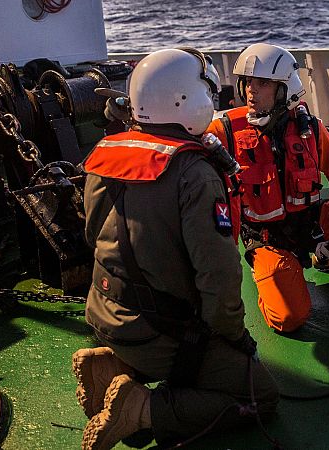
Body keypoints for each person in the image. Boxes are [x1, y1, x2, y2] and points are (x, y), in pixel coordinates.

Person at [72, 48, 278, 450]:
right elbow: (217, 279)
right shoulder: (195, 174)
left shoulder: (107, 152)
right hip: (156, 330)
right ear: (186, 98)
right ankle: (141, 408)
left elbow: (92, 236)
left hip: (102, 311)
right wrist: (235, 338)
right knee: (262, 396)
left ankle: (112, 362)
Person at [205, 43, 329, 333]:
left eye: (263, 83)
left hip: (311, 224)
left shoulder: (310, 128)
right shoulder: (225, 132)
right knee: (289, 317)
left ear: (283, 90)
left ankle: (326, 254)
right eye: (248, 83)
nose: (250, 91)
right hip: (269, 238)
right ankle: (271, 276)